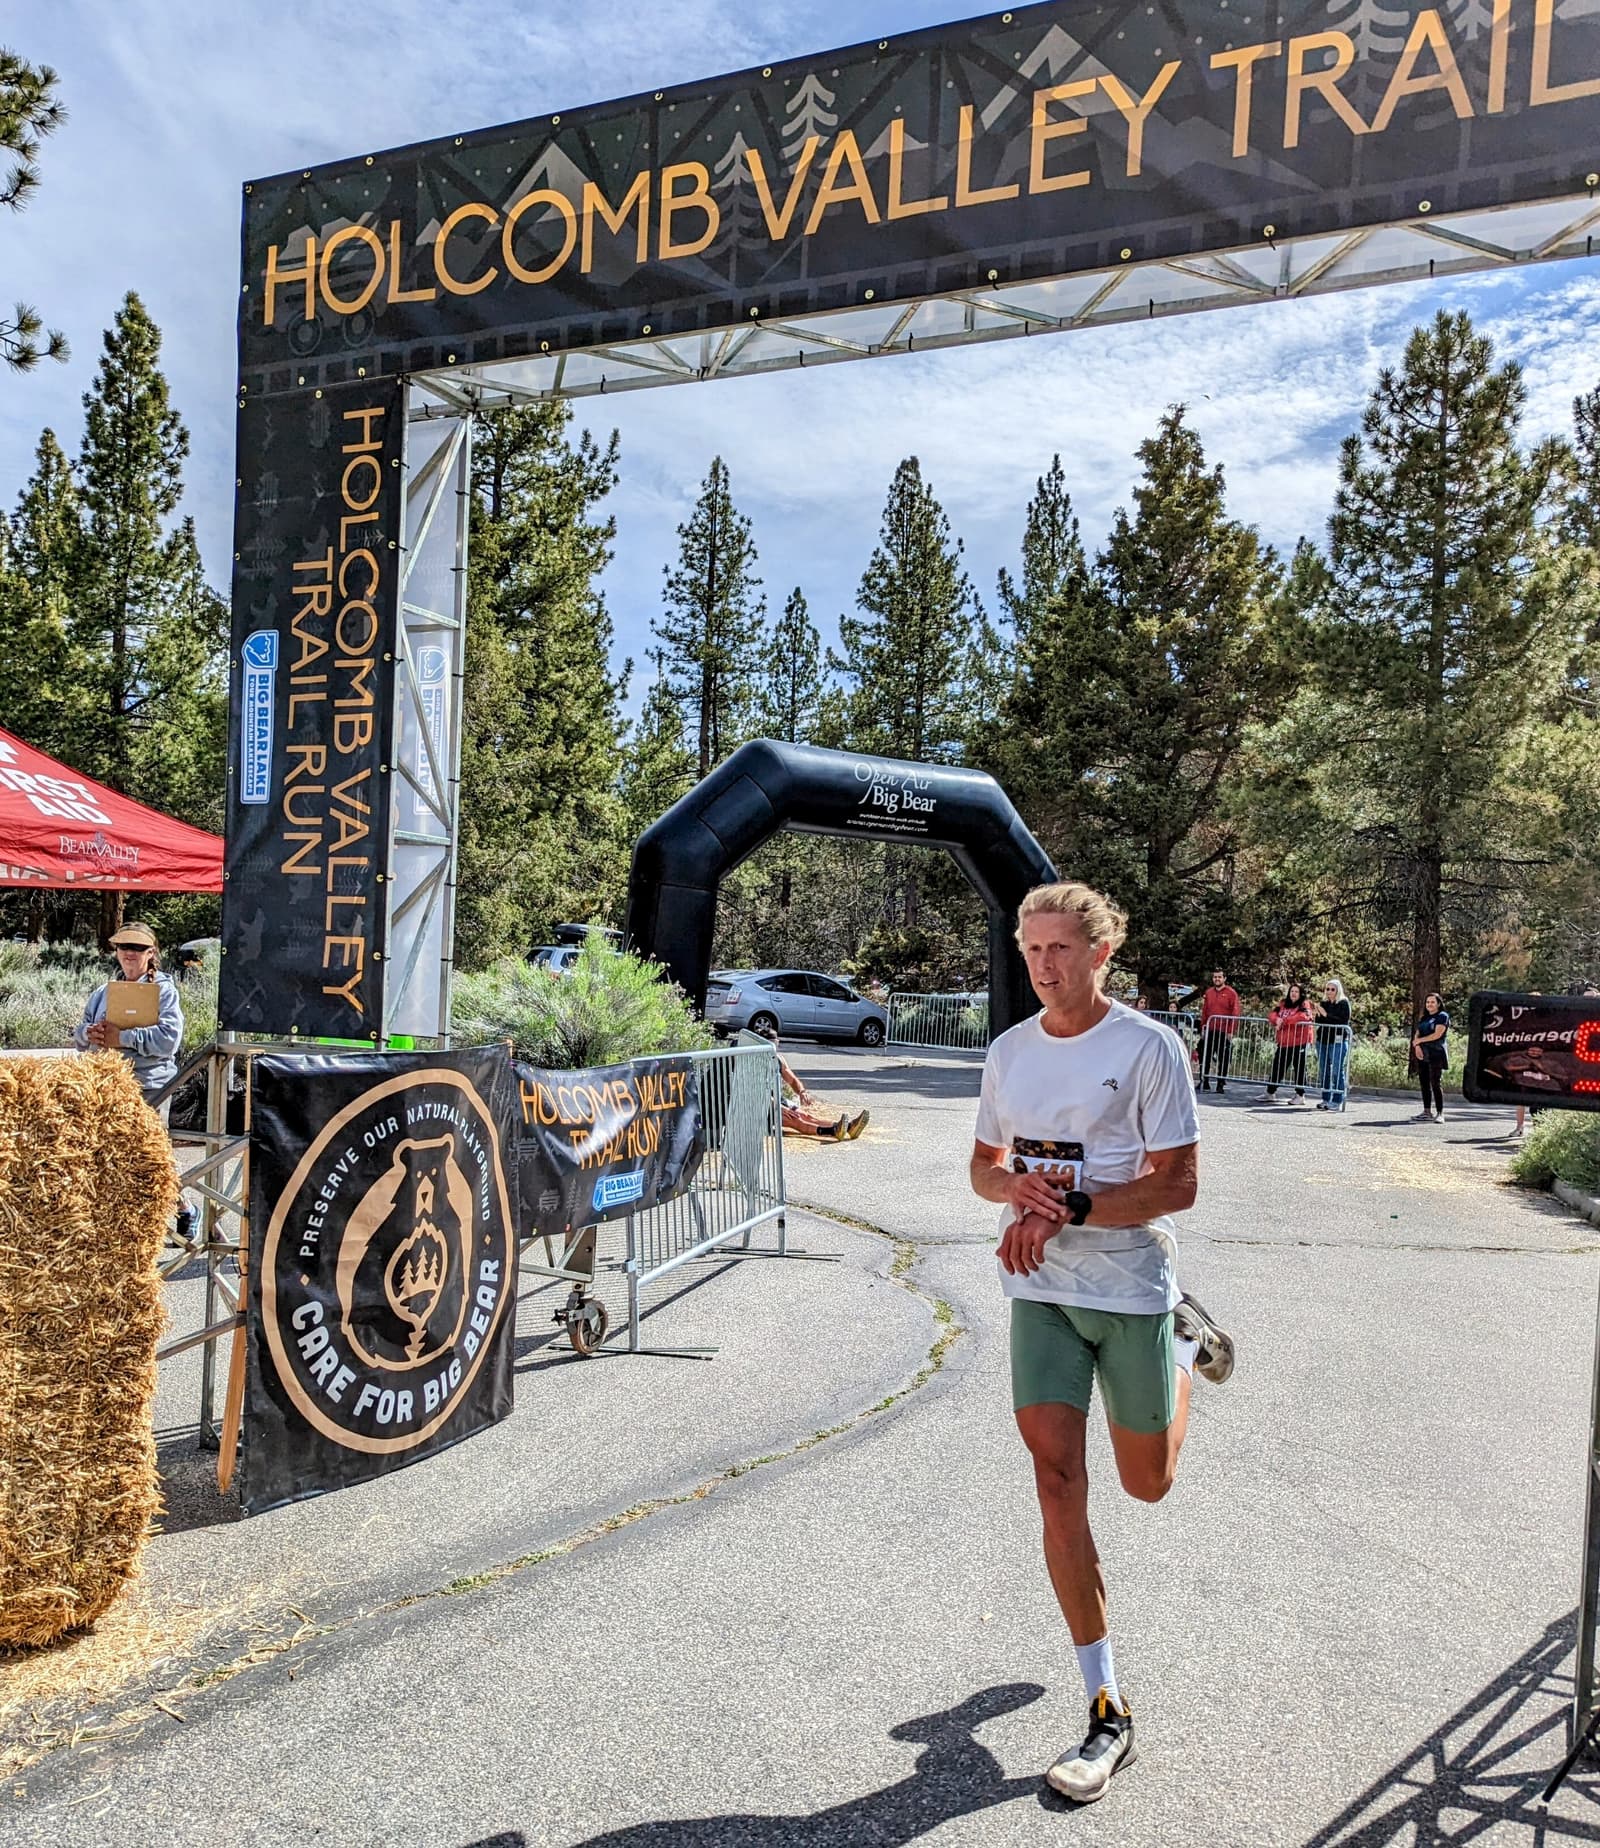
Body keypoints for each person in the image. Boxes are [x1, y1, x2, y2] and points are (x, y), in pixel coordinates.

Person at [969, 881, 1234, 1805]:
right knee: (1054, 1481)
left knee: (1145, 1484)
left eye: (1061, 950)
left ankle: (1181, 1351)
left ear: (1100, 953)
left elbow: (1177, 1186)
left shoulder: (1149, 1047)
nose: (1045, 967)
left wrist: (1073, 1205)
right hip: (1038, 1290)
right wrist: (1020, 1197)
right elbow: (982, 1166)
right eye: (1031, 951)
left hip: (1128, 1289)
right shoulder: (1009, 1051)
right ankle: (1106, 1705)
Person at [72, 923, 184, 1116]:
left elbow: (169, 1040)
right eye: (123, 946)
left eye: (137, 947)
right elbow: (79, 1037)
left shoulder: (164, 991)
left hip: (148, 1091)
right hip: (103, 1088)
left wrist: (121, 1038)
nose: (129, 952)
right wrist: (89, 1033)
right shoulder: (103, 992)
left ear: (151, 952)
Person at [754, 1026, 867, 1140]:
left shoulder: (778, 1059)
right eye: (771, 1045)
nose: (774, 1048)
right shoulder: (754, 1063)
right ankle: (832, 1131)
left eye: (775, 1044)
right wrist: (778, 1107)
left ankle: (849, 1127)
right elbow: (758, 1093)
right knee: (795, 1120)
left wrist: (802, 1092)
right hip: (761, 1107)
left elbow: (792, 1080)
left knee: (805, 1116)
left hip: (778, 1101)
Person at [1266, 983, 1315, 1102]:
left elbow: (1303, 1017)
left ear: (1301, 993)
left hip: (1299, 1041)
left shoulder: (1305, 1004)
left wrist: (1284, 1021)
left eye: (1296, 992)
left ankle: (1300, 1095)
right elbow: (1272, 1014)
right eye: (1292, 991)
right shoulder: (1283, 1003)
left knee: (1299, 1068)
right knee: (1278, 1067)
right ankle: (1270, 1092)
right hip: (1284, 1041)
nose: (1293, 994)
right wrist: (1276, 1019)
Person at [1198, 968, 1241, 1094]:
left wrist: (1231, 1030)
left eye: (1219, 977)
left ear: (1224, 978)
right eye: (1215, 977)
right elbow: (1205, 1010)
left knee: (1223, 1058)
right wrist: (1203, 1027)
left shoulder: (1231, 993)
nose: (1217, 979)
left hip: (1223, 1031)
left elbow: (1235, 1012)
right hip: (1210, 1029)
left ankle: (1220, 1083)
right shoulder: (1209, 992)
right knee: (1205, 1055)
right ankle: (1204, 1081)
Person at [1311, 979, 1352, 1111]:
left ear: (1338, 990)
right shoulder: (1324, 1003)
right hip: (1323, 1040)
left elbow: (1341, 1021)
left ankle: (1337, 1099)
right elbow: (1319, 1020)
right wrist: (1318, 1013)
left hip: (1337, 1041)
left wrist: (1326, 1014)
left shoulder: (1343, 1003)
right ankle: (1325, 1098)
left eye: (1332, 989)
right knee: (1324, 1071)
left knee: (1336, 1070)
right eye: (1327, 989)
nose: (1329, 992)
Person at [1411, 992, 1450, 1122]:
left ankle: (1440, 1113)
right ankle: (1426, 1111)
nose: (1430, 1004)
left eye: (1433, 1002)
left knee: (1435, 1082)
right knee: (1424, 1082)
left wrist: (1420, 1041)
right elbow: (1417, 1034)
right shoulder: (1424, 1018)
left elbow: (1437, 1034)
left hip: (1436, 1052)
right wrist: (1417, 1046)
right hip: (1423, 1053)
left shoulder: (1442, 1016)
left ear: (1438, 1003)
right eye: (1428, 1002)